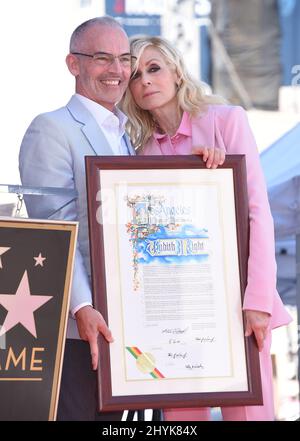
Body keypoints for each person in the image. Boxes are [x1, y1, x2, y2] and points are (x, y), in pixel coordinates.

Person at [18, 18, 222, 421]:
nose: (116, 69)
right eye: (101, 58)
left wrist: (204, 167)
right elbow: (59, 230)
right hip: (82, 333)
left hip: (134, 336)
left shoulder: (131, 134)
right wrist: (83, 307)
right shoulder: (51, 129)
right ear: (73, 64)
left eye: (123, 58)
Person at [121, 35, 292, 421]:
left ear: (177, 71)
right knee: (181, 421)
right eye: (134, 75)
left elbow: (257, 212)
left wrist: (258, 301)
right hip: (171, 314)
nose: (145, 80)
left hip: (238, 305)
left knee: (249, 414)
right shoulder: (140, 152)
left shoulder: (226, 121)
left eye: (153, 68)